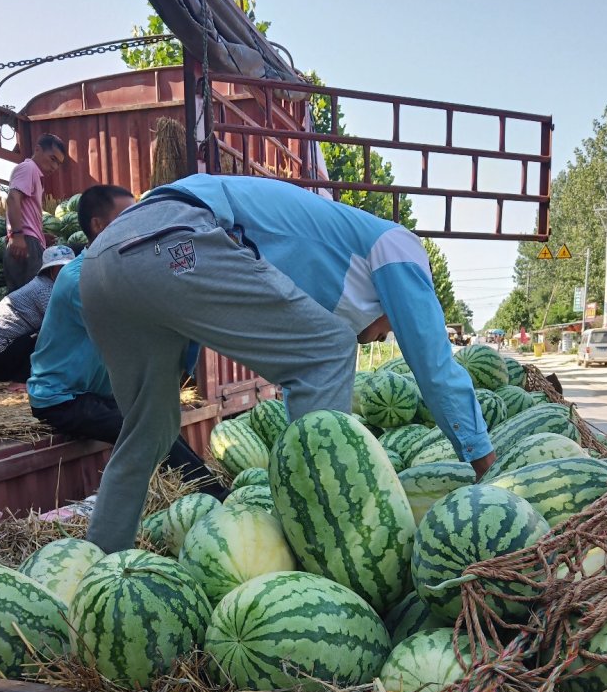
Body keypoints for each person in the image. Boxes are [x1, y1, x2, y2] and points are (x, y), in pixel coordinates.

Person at [78, 173, 497, 554]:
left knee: (148, 430)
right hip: (170, 237)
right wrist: (487, 466)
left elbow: (193, 313)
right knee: (328, 350)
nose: (385, 335)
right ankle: (328, 539)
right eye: (389, 328)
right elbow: (434, 366)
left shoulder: (327, 252)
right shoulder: (398, 246)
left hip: (98, 268)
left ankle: (98, 563)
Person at [27, 183, 226, 499]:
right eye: (129, 216)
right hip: (63, 399)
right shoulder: (82, 279)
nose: (140, 224)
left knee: (160, 427)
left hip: (97, 393)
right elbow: (138, 331)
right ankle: (216, 498)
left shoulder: (119, 272)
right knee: (148, 433)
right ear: (99, 226)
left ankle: (204, 494)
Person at [0, 244, 75, 382]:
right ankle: (22, 379)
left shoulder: (47, 285)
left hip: (3, 354)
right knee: (51, 332)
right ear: (52, 269)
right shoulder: (44, 289)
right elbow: (61, 325)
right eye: (62, 268)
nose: (67, 272)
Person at [4, 133, 67, 292]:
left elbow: (25, 211)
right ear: (38, 149)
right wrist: (18, 235)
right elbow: (12, 199)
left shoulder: (35, 176)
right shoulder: (28, 168)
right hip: (25, 243)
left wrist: (40, 235)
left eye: (58, 163)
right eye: (53, 159)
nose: (54, 167)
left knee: (29, 300)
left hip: (30, 241)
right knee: (31, 299)